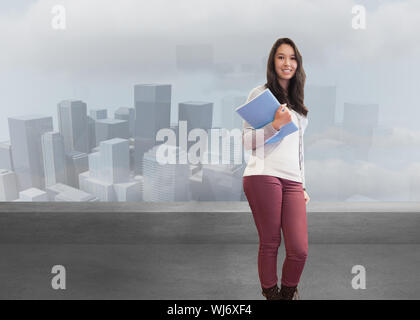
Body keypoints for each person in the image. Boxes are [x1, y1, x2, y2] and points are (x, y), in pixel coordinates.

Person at [242, 37, 310, 300]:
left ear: (298, 64)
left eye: (292, 58)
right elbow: (248, 142)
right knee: (270, 243)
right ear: (273, 62)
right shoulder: (259, 94)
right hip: (263, 175)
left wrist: (303, 184)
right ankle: (272, 296)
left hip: (292, 180)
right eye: (281, 57)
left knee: (299, 249)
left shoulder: (299, 106)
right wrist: (276, 125)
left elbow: (300, 151)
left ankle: (288, 293)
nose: (287, 63)